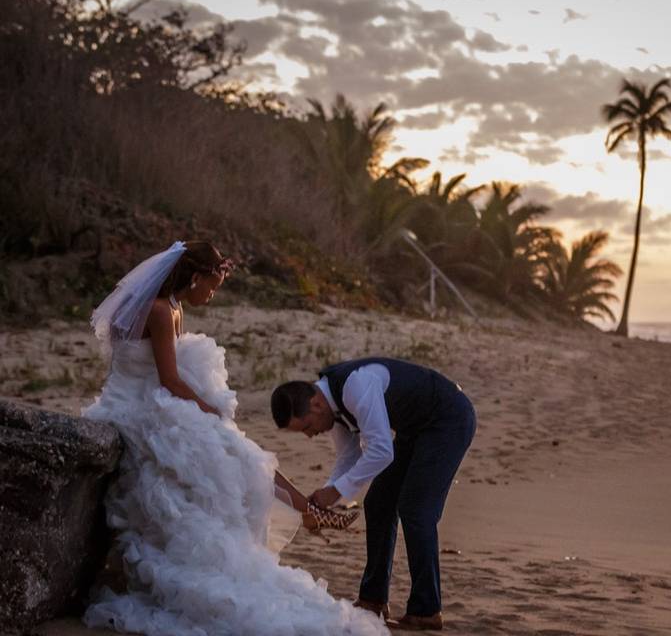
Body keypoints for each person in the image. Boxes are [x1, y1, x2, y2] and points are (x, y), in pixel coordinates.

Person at [82, 241, 385, 636]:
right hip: (135, 407)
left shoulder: (174, 307)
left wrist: (208, 410)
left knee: (242, 450)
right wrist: (207, 409)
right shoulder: (158, 310)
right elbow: (169, 379)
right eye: (212, 283)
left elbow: (172, 379)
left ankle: (310, 510)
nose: (213, 292)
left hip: (157, 399)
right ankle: (310, 511)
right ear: (194, 276)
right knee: (230, 448)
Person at [271, 358, 477, 631]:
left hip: (449, 420)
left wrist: (335, 492)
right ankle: (373, 600)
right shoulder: (331, 406)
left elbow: (381, 451)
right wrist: (326, 494)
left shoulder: (357, 385)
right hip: (414, 429)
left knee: (416, 510)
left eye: (307, 427)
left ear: (316, 404)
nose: (310, 435)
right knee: (378, 504)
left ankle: (426, 610)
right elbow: (349, 455)